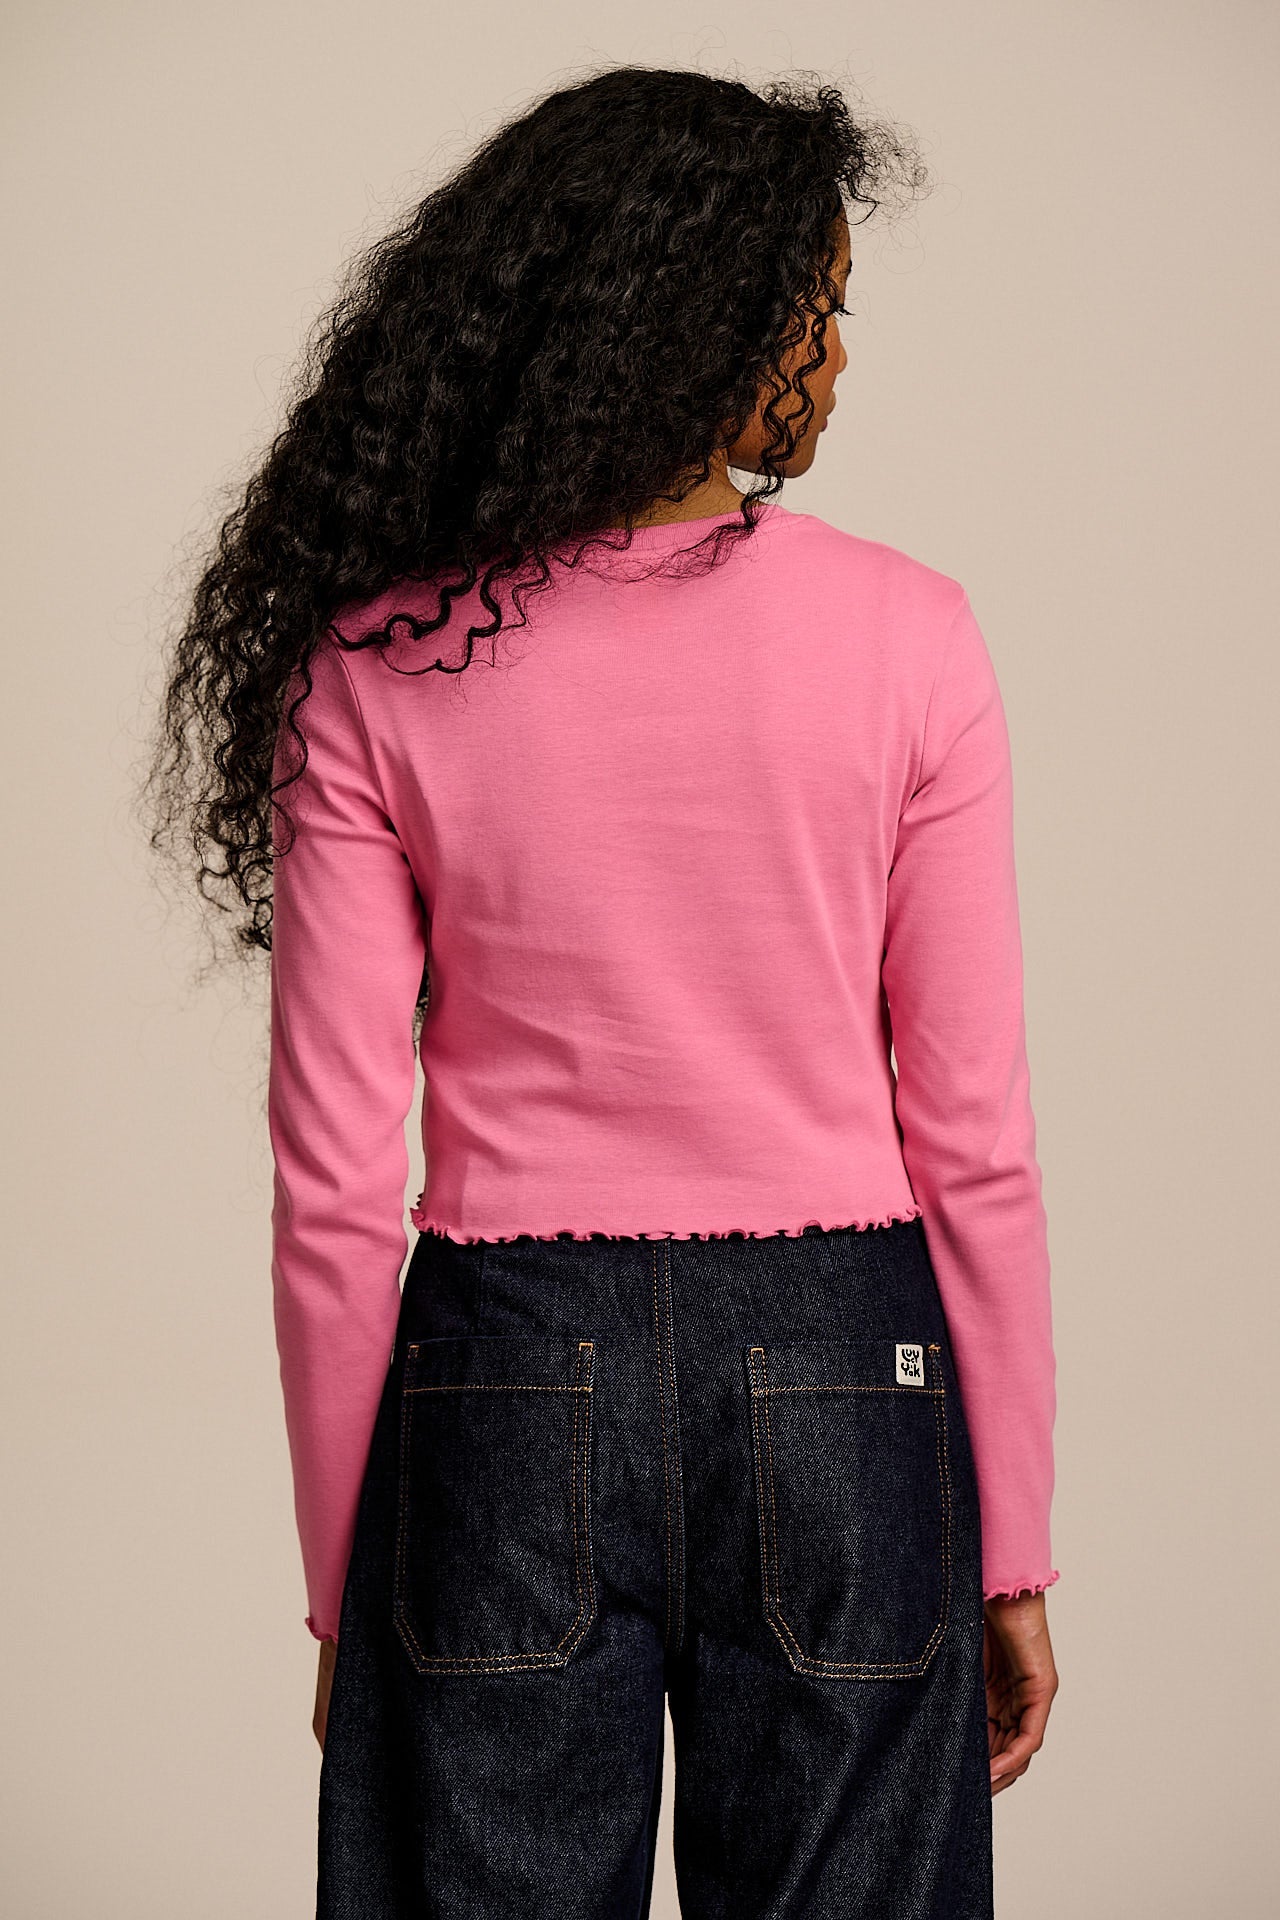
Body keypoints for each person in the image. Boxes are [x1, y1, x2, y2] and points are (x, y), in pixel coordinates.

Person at [146, 63, 1059, 1919]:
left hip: (502, 1379)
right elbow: (971, 1136)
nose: (839, 359)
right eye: (816, 311)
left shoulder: (378, 661)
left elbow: (334, 1188)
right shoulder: (914, 636)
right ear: (705, 326)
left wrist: (350, 1590)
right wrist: (1011, 1541)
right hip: (845, 1372)